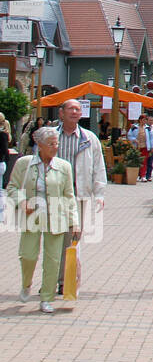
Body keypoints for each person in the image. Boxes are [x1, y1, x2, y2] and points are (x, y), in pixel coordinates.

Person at [7, 127, 80, 314]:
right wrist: (22, 203)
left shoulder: (64, 166)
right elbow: (12, 188)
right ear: (39, 145)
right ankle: (26, 284)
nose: (55, 147)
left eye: (57, 143)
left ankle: (46, 298)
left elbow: (69, 196)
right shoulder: (25, 163)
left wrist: (74, 222)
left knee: (53, 259)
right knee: (28, 255)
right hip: (33, 216)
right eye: (51, 144)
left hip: (57, 216)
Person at [54, 99, 106, 292]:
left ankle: (67, 282)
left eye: (78, 109)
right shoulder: (52, 136)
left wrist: (99, 193)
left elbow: (98, 167)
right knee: (54, 240)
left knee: (73, 240)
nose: (75, 112)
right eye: (71, 109)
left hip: (79, 196)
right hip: (54, 196)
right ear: (61, 113)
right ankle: (53, 279)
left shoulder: (89, 138)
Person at [136, 114, 153, 182]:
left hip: (145, 147)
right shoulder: (135, 127)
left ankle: (144, 175)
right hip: (136, 147)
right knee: (136, 161)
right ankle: (137, 175)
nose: (145, 121)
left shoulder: (147, 128)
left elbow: (151, 139)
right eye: (144, 120)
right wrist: (133, 140)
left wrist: (152, 147)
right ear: (140, 120)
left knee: (144, 161)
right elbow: (130, 135)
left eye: (145, 120)